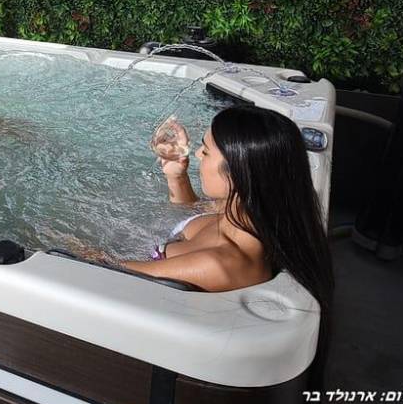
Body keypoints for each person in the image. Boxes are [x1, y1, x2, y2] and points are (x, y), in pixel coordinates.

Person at [121, 105, 334, 303]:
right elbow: (189, 210)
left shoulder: (219, 266)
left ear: (236, 173)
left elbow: (113, 272)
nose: (197, 154)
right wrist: (177, 177)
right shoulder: (244, 216)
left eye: (205, 151)